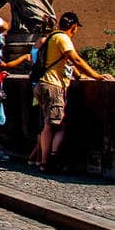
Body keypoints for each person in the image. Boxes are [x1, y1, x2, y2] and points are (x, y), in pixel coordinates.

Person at [33, 11, 113, 172]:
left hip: (43, 84)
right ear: (74, 26)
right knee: (54, 124)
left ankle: (45, 160)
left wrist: (78, 75)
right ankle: (47, 162)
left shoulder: (52, 37)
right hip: (53, 84)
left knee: (52, 123)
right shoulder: (62, 38)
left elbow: (66, 63)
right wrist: (96, 76)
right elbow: (75, 59)